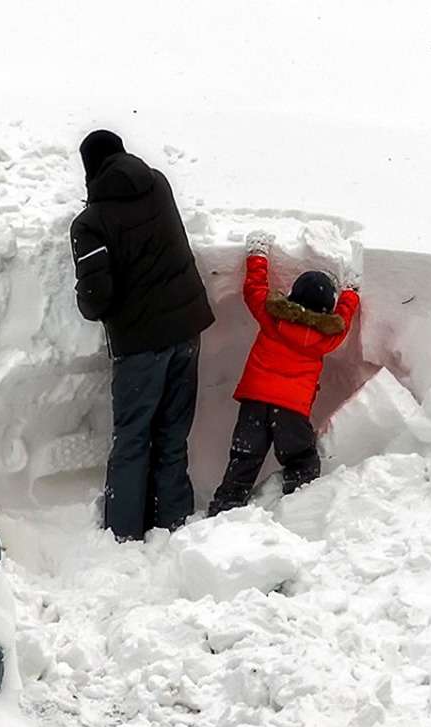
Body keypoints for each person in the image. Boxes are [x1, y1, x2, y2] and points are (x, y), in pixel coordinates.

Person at [69, 130, 214, 542]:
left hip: (141, 345)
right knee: (171, 433)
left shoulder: (90, 223)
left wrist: (86, 299)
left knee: (132, 439)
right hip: (187, 331)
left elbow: (96, 299)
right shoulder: (158, 184)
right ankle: (172, 522)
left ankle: (123, 533)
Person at [208, 231, 361, 514]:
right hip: (291, 413)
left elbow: (253, 289)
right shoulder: (325, 337)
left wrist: (258, 254)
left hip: (254, 403)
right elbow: (344, 319)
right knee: (301, 460)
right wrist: (351, 292)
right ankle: (295, 509)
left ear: (292, 295)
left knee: (244, 459)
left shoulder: (272, 317)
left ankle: (224, 508)